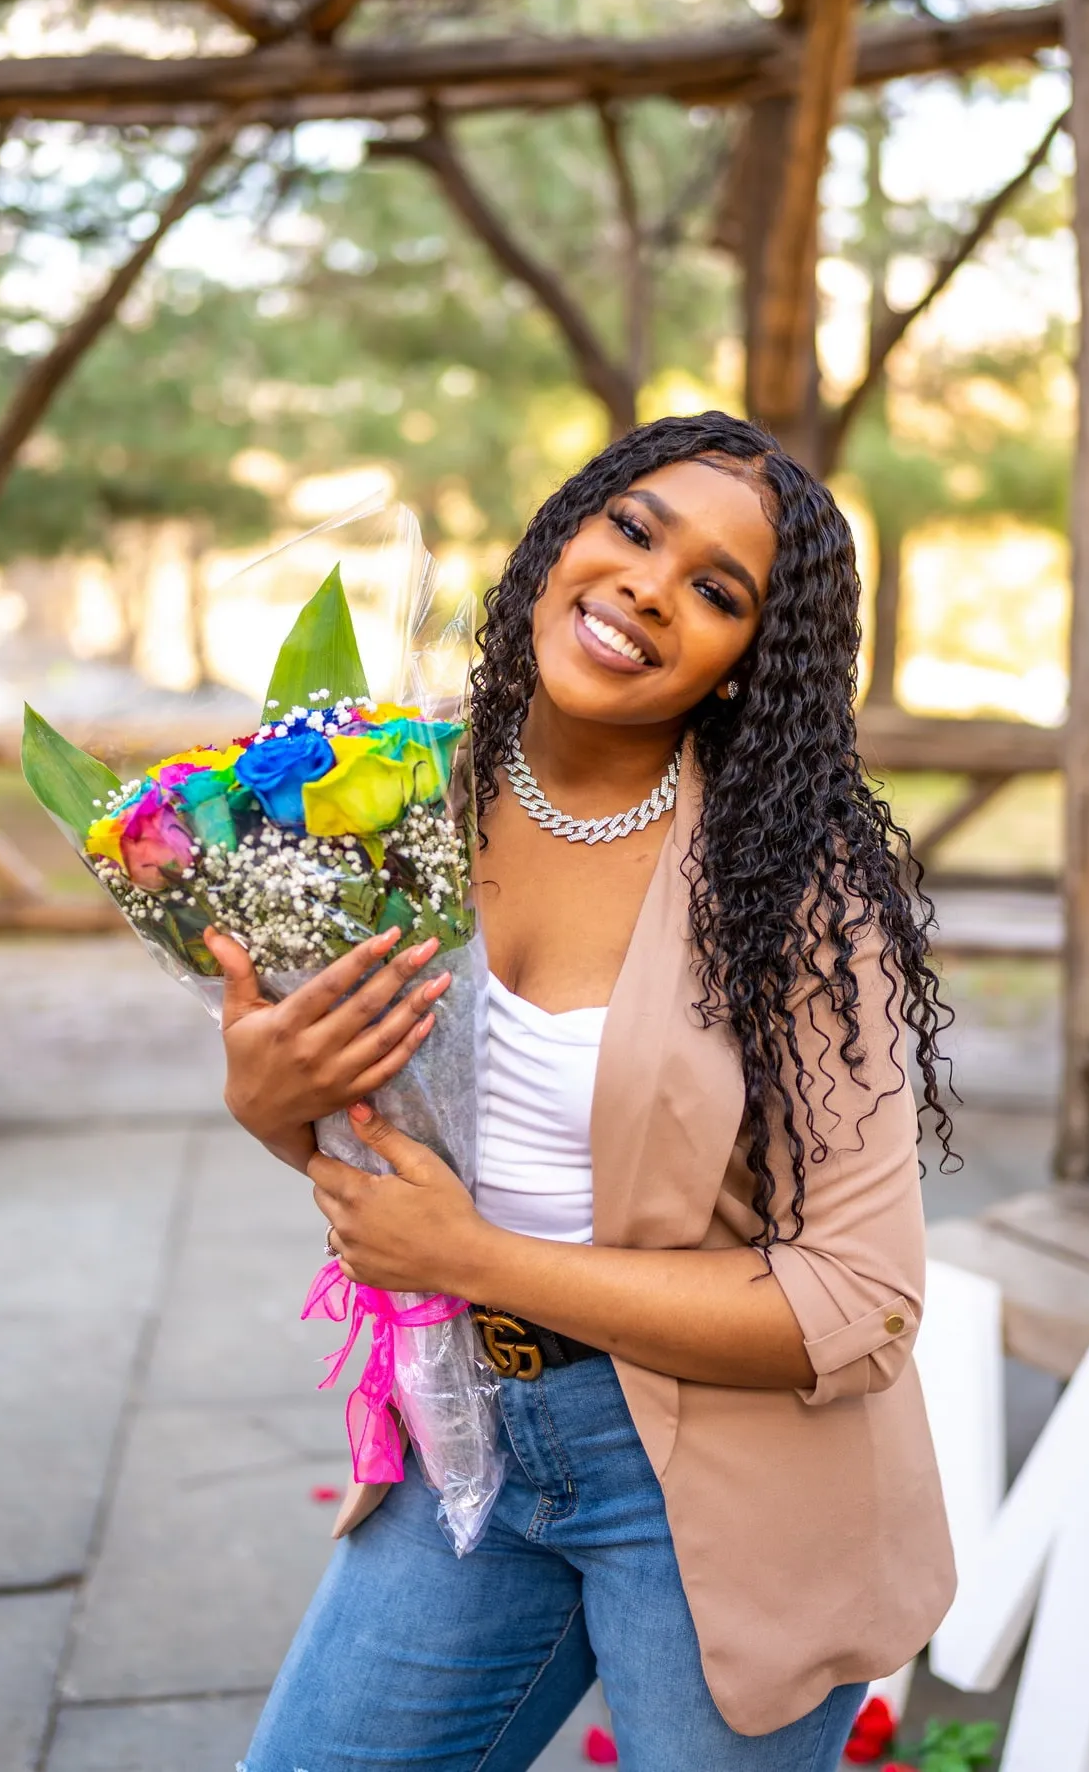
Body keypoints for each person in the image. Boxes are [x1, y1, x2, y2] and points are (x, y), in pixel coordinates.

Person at [211, 412, 957, 1772]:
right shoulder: (385, 799)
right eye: (632, 529)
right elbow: (403, 1148)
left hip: (728, 1483)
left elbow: (860, 1302)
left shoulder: (790, 886)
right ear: (563, 535)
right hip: (468, 1437)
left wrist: (476, 1256)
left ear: (747, 667)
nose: (650, 588)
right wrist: (270, 1101)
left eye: (719, 592)